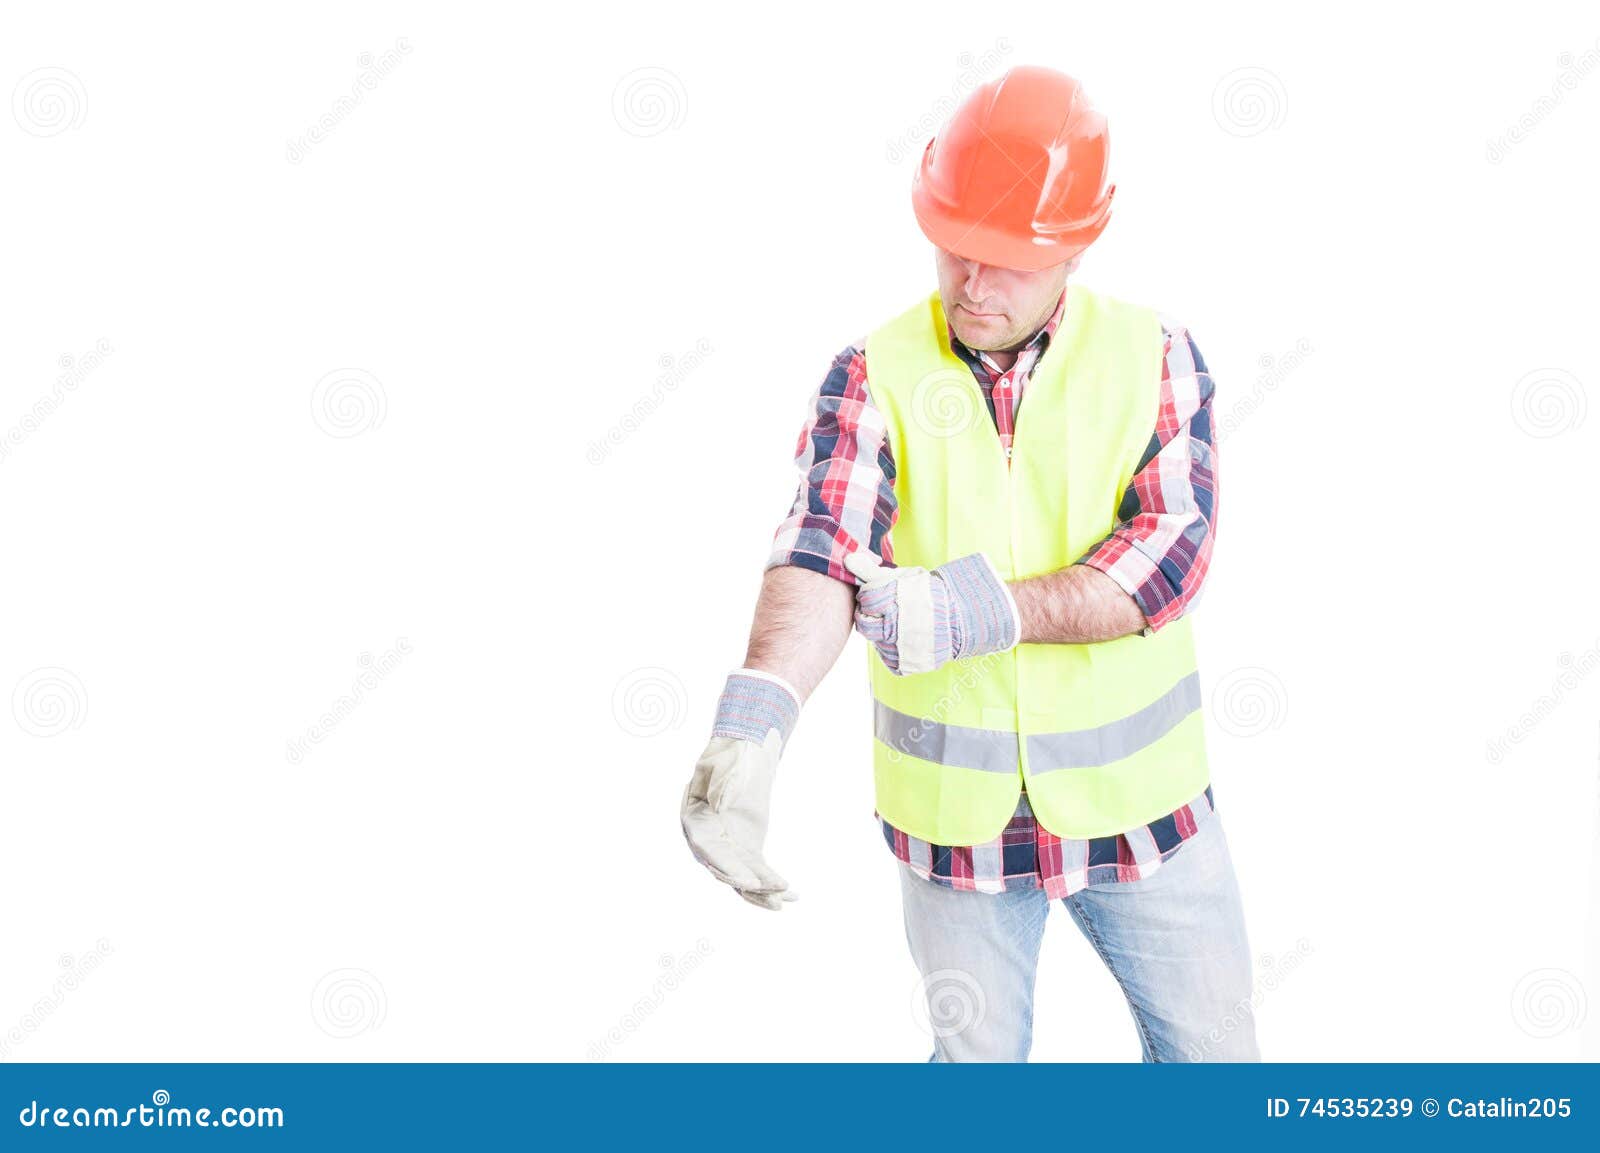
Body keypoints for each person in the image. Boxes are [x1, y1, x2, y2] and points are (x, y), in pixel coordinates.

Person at [680, 64, 1258, 1063]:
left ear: (1077, 243)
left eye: (1006, 260)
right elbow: (823, 545)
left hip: (1143, 817)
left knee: (1216, 1067)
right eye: (954, 251)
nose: (972, 285)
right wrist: (756, 716)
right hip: (957, 830)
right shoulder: (873, 372)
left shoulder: (1155, 357)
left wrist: (975, 610)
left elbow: (1169, 555)